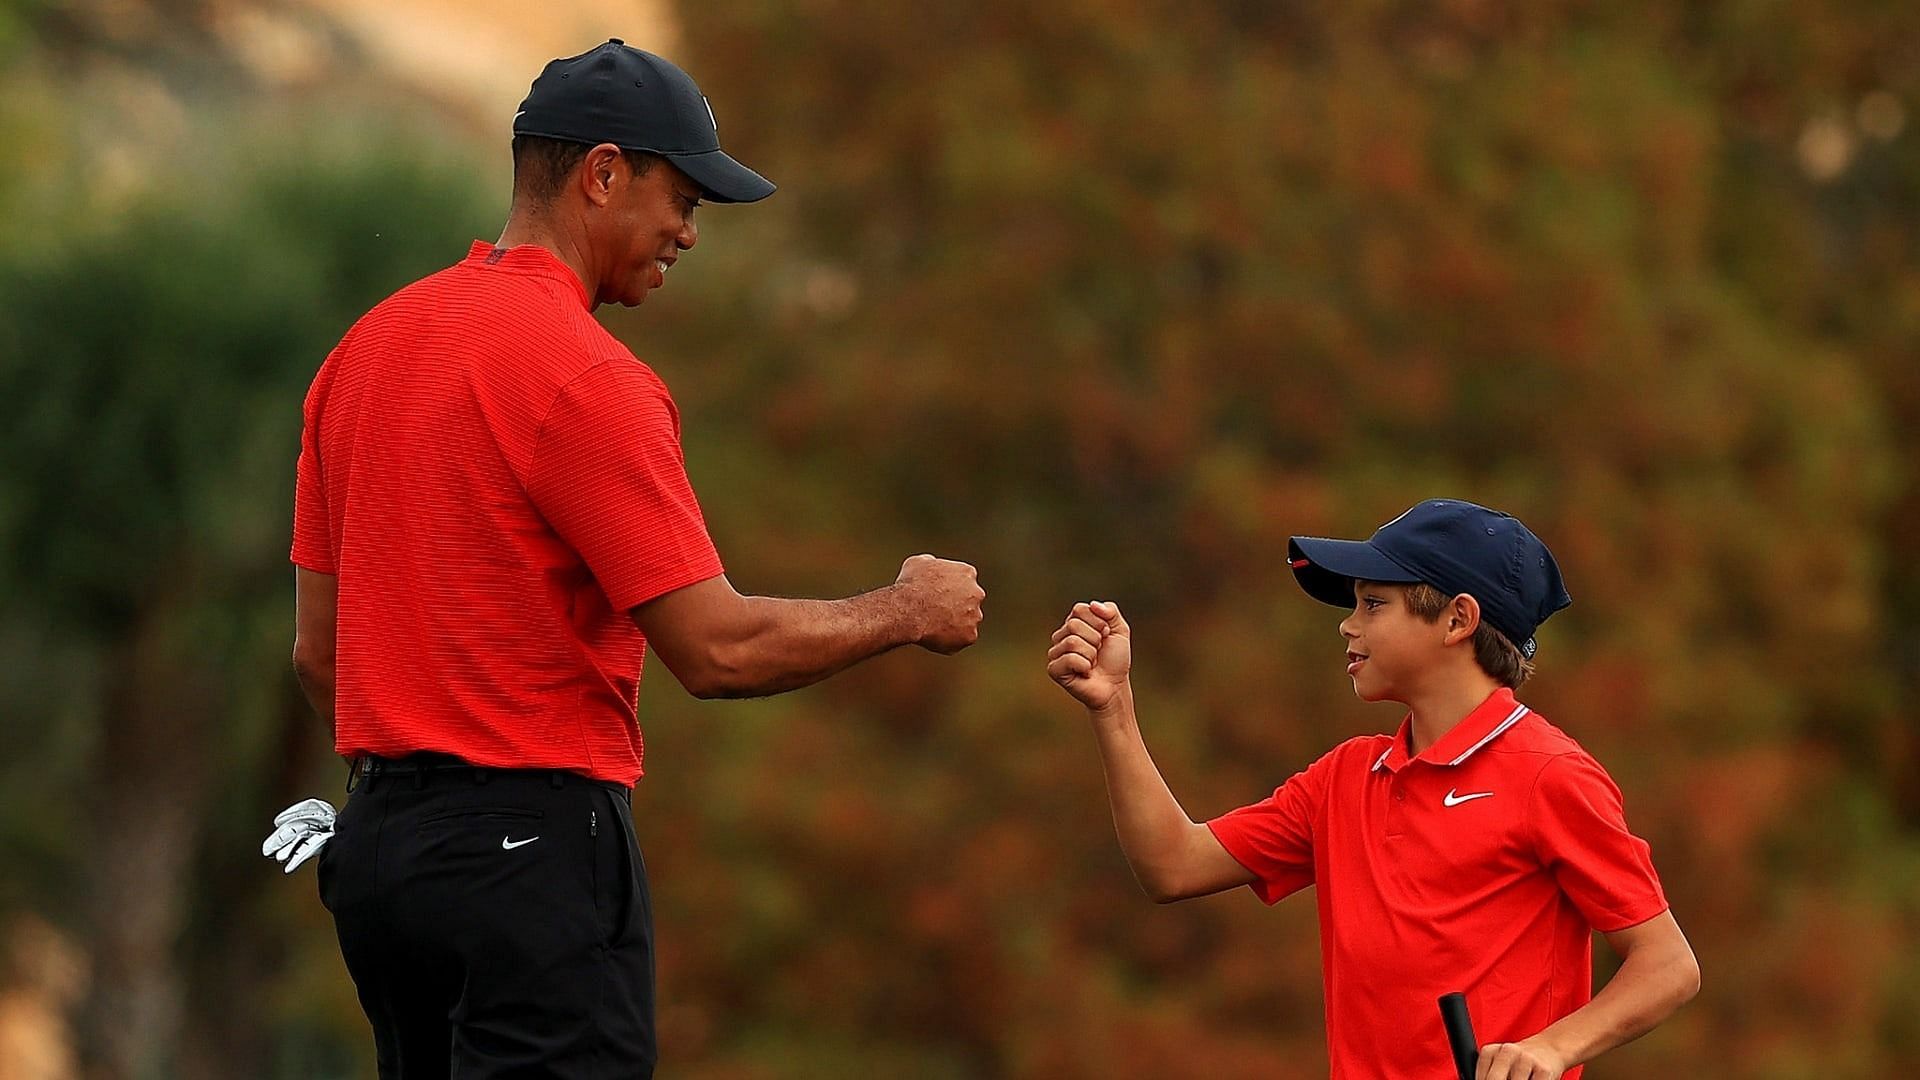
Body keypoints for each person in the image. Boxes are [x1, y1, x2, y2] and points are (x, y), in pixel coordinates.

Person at [279, 40, 984, 1079]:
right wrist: (906, 608)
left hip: (382, 857)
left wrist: (419, 801)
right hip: (530, 852)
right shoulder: (587, 378)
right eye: (684, 199)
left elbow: (316, 655)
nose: (690, 234)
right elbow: (719, 650)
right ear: (603, 174)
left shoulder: (366, 350)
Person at [1046, 498, 1698, 1080]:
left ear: (1457, 620)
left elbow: (1666, 965)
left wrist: (1552, 1049)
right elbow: (1172, 865)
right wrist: (1114, 709)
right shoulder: (1344, 777)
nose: (1347, 625)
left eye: (1373, 603)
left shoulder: (1549, 774)